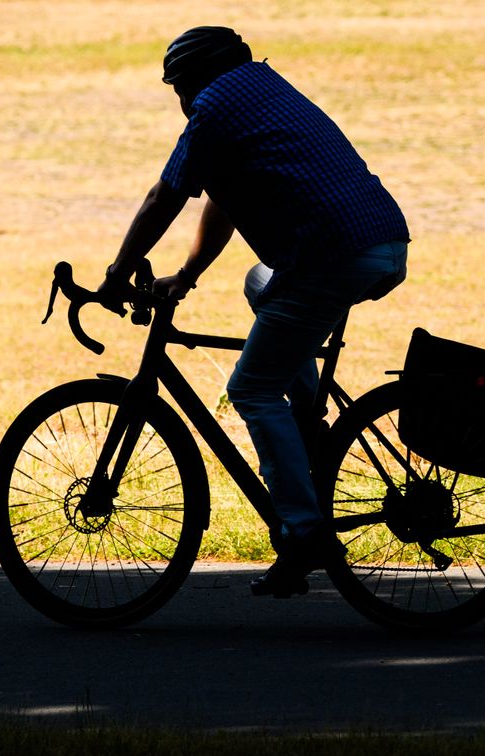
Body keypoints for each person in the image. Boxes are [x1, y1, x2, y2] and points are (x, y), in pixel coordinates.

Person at [99, 26, 410, 598]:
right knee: (261, 285)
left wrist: (117, 272)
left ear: (196, 79)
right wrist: (185, 277)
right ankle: (308, 415)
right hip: (374, 243)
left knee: (252, 390)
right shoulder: (262, 89)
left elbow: (164, 196)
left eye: (178, 88)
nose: (180, 101)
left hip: (331, 257)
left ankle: (304, 531)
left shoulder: (216, 106)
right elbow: (221, 198)